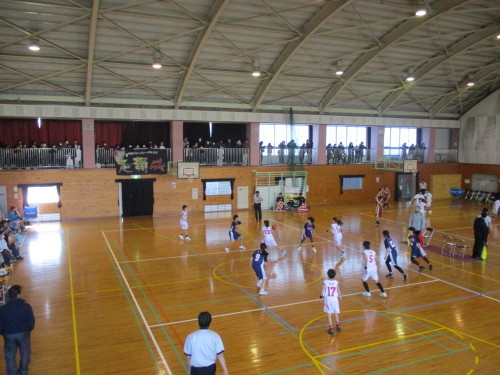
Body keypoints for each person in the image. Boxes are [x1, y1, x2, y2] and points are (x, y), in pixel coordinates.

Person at [0, 285, 35, 375]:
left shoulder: (3, 309)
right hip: (23, 333)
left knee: (10, 355)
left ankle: (12, 373)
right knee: (25, 353)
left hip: (8, 334)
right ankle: (23, 371)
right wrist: (28, 330)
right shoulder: (26, 306)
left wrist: (3, 333)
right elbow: (31, 321)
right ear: (18, 295)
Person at [320, 269, 342, 334]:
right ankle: (338, 325)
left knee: (329, 314)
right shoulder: (336, 282)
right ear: (334, 275)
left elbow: (322, 290)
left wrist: (321, 297)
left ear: (327, 274)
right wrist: (340, 296)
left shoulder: (325, 282)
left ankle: (331, 328)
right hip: (335, 299)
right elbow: (338, 290)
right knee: (336, 312)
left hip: (328, 300)